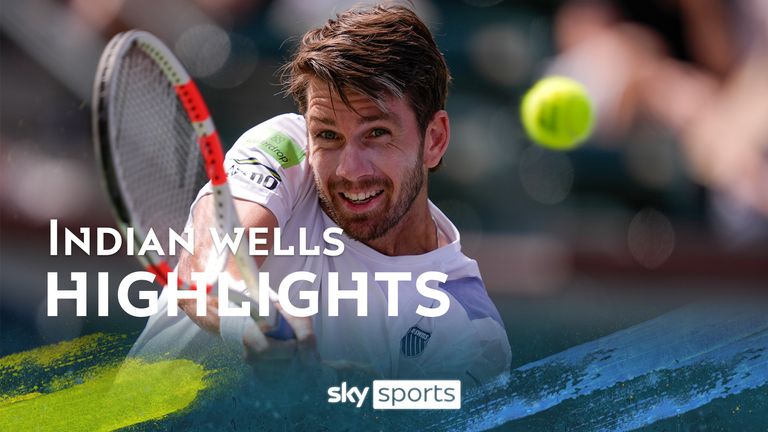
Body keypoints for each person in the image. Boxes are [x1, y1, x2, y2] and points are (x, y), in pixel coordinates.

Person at [130, 4, 511, 386]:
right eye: (328, 136)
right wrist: (249, 322)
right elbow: (207, 269)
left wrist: (329, 392)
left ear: (435, 139)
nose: (350, 170)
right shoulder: (285, 146)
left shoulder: (472, 334)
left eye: (376, 134)